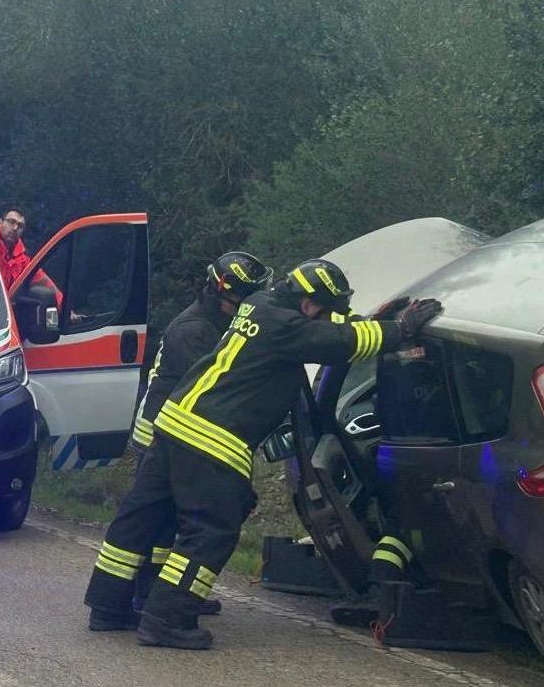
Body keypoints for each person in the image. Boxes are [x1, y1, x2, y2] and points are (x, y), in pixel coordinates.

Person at [83, 258, 442, 649]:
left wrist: (376, 320)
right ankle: (167, 619)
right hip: (211, 438)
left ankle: (108, 607)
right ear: (309, 303)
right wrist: (399, 330)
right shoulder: (286, 327)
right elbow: (339, 342)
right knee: (210, 532)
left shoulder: (260, 304)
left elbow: (330, 328)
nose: (327, 318)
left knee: (139, 520)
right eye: (326, 310)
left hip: (173, 426)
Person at [100, 251, 272, 627]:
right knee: (154, 522)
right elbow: (214, 388)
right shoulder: (193, 331)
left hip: (174, 434)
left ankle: (158, 592)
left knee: (167, 522)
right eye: (239, 301)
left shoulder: (215, 324)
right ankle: (133, 600)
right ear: (220, 292)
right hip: (160, 434)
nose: (244, 310)